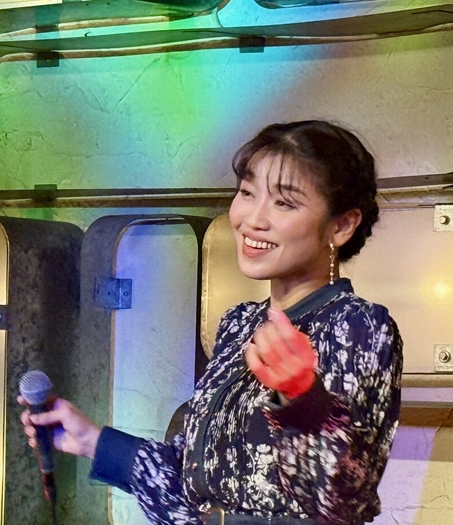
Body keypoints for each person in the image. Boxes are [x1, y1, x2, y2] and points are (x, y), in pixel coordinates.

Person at [20, 120, 403, 525]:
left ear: (341, 226)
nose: (253, 219)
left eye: (284, 203)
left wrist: (303, 399)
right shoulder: (240, 324)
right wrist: (93, 441)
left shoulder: (358, 326)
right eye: (247, 193)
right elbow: (194, 490)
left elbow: (343, 500)